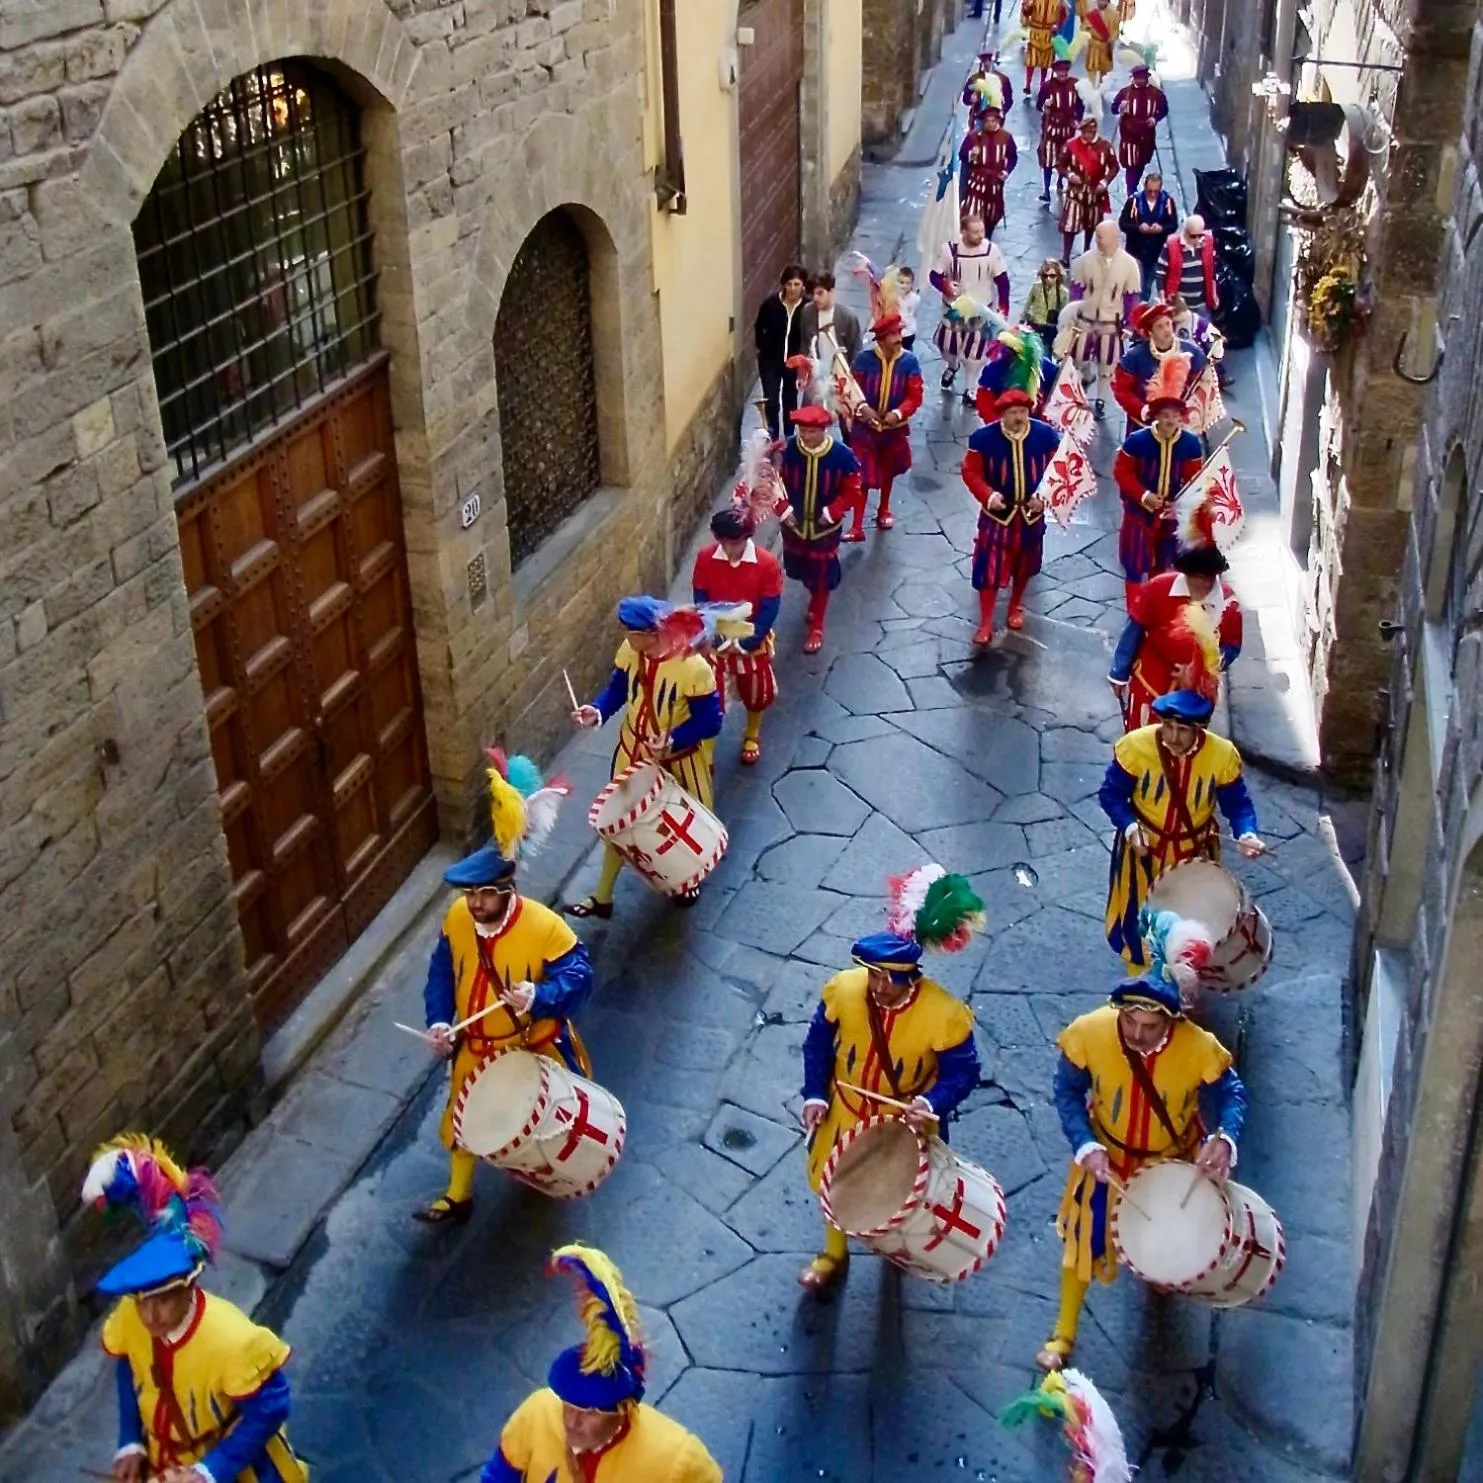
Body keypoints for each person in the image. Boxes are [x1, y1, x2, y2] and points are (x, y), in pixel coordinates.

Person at [1037, 963, 1247, 1372]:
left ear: (1171, 1020)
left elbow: (1231, 1094)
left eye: (1148, 1027)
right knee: (1084, 1240)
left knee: (1166, 1239)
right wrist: (1085, 1143)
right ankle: (1063, 1332)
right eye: (1129, 1021)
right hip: (1106, 1161)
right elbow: (1066, 1090)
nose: (1135, 1034)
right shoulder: (1090, 1032)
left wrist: (1224, 1138)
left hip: (1170, 1162)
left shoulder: (1198, 1046)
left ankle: (1159, 1274)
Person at [798, 869, 985, 1294]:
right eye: (873, 973)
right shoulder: (845, 992)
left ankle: (895, 1246)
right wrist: (814, 1094)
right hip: (846, 1110)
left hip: (904, 1122)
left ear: (910, 977)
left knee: (900, 1195)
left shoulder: (945, 1015)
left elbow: (964, 1071)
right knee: (835, 1181)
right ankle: (833, 1252)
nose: (878, 986)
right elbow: (818, 1045)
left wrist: (932, 1103)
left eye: (888, 977)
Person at [82, 1135, 308, 1483]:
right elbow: (128, 1366)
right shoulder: (131, 1317)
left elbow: (271, 1407)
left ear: (190, 1287)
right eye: (144, 1302)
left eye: (164, 1300)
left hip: (234, 1464)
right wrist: (130, 1442)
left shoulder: (234, 1341)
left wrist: (208, 1472)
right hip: (166, 1461)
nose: (150, 1316)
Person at [421, 794, 595, 1220]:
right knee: (462, 1119)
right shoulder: (458, 919)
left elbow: (579, 979)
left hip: (532, 1046)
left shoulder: (546, 927)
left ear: (506, 889)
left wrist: (539, 997)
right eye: (469, 894)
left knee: (551, 1121)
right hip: (476, 1045)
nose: (474, 903)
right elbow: (441, 974)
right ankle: (458, 1195)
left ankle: (552, 1170)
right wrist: (440, 1021)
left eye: (483, 894)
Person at [481, 1244, 722, 1481]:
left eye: (592, 1411)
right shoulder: (536, 1412)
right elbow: (498, 1477)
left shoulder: (679, 1460)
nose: (572, 1422)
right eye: (568, 1403)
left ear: (623, 1409)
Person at [567, 597, 724, 917]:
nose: (625, 636)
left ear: (650, 632)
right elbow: (617, 690)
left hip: (679, 760)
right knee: (617, 825)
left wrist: (673, 740)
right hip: (633, 752)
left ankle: (686, 878)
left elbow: (710, 722)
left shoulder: (693, 668)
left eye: (629, 631)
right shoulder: (630, 653)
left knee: (682, 826)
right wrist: (596, 711)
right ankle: (603, 896)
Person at [1097, 688, 1265, 967]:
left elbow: (1237, 805)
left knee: (1192, 922)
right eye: (1168, 726)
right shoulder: (1135, 748)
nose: (1173, 736)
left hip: (1195, 853)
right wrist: (1129, 827)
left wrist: (1246, 833)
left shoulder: (1221, 756)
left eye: (1183, 729)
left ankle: (1184, 980)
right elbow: (1111, 796)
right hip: (1143, 853)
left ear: (1199, 728)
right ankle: (1143, 983)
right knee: (1138, 919)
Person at [963, 360, 1062, 644]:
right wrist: (988, 495)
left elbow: (1059, 468)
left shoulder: (1045, 435)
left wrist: (1045, 498)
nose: (1019, 417)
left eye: (1023, 412)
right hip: (998, 516)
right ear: (1002, 414)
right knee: (989, 568)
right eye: (1013, 412)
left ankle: (1016, 604)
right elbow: (970, 471)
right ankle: (985, 622)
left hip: (1031, 516)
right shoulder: (983, 438)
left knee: (1025, 565)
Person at [1110, 541, 1243, 731]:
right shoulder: (1158, 588)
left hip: (1197, 688)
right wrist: (1119, 674)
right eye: (1197, 576)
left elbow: (1231, 647)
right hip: (1152, 677)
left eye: (1208, 577)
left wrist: (1200, 669)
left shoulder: (1229, 605)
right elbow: (1134, 629)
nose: (1204, 583)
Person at [692, 505, 783, 764]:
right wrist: (713, 634)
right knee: (710, 695)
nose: (729, 548)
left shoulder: (767, 563)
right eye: (723, 541)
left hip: (751, 637)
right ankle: (707, 745)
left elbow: (770, 606)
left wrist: (749, 641)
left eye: (736, 542)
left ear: (747, 537)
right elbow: (701, 599)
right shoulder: (705, 557)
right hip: (716, 637)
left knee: (757, 692)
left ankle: (752, 733)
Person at [1112, 352, 1204, 604]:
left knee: (1164, 562)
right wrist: (1144, 496)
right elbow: (1122, 472)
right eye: (1166, 416)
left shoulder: (1190, 445)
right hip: (1138, 512)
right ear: (1156, 416)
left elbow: (1194, 481)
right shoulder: (1137, 441)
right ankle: (1133, 608)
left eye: (1175, 416)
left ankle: (1153, 605)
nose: (1171, 421)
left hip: (1170, 515)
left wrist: (1180, 504)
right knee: (1134, 562)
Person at [779, 402, 863, 651]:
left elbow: (852, 491)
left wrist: (833, 511)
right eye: (802, 430)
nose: (806, 436)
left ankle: (818, 625)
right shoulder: (787, 450)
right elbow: (773, 483)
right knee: (801, 571)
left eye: (811, 431)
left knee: (822, 576)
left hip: (825, 530)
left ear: (824, 430)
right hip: (794, 528)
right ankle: (814, 598)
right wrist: (782, 509)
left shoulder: (842, 456)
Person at [1057, 218, 1141, 420]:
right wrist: (1073, 313)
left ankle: (1101, 400)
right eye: (1096, 236)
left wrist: (1130, 324)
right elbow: (1076, 290)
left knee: (1107, 363)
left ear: (1115, 238)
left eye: (1101, 236)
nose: (1097, 240)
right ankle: (1085, 378)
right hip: (1085, 320)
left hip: (1111, 323)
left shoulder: (1129, 265)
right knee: (1079, 358)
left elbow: (1131, 297)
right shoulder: (1085, 260)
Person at [851, 310, 924, 531]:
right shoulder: (864, 360)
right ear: (881, 340)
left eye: (899, 332)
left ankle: (884, 508)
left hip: (895, 429)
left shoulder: (910, 362)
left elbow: (915, 396)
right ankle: (856, 525)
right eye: (893, 334)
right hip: (865, 429)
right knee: (862, 475)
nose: (898, 338)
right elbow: (851, 390)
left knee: (889, 470)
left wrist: (899, 413)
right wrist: (863, 408)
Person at [930, 214, 1011, 399]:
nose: (980, 235)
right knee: (947, 347)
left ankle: (970, 388)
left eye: (982, 231)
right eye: (975, 232)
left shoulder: (991, 250)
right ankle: (952, 366)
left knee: (976, 355)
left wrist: (1004, 307)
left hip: (981, 310)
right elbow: (934, 275)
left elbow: (1002, 280)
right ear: (963, 232)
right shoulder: (948, 250)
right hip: (954, 310)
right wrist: (946, 286)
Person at [1111, 300, 1207, 431]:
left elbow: (1203, 383)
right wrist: (1142, 409)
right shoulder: (1134, 357)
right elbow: (1121, 390)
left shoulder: (1191, 351)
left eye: (1168, 324)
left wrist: (1191, 407)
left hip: (1182, 424)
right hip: (1144, 425)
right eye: (1160, 327)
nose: (1167, 330)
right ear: (1150, 333)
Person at [754, 263, 808, 438]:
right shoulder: (771, 305)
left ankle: (790, 436)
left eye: (797, 284)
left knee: (790, 400)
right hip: (770, 360)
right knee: (771, 398)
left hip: (794, 361)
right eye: (789, 284)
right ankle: (773, 435)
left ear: (803, 286)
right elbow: (759, 327)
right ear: (783, 285)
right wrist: (764, 346)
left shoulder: (807, 308)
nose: (792, 289)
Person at [1058, 117, 1118, 266]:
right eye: (1085, 132)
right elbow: (1061, 164)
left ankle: (1086, 250)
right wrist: (1070, 175)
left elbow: (1114, 167)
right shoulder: (1071, 146)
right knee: (1069, 226)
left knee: (1092, 224)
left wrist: (1104, 182)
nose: (1088, 135)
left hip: (1095, 193)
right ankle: (1066, 255)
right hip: (1076, 193)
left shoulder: (1105, 146)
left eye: (1091, 132)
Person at [975, 323, 1059, 422]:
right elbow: (985, 398)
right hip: (1008, 423)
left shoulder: (1045, 367)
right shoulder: (997, 367)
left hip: (1028, 424)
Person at [1118, 169, 1180, 299]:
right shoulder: (1134, 202)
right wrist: (1138, 228)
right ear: (1145, 187)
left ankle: (1143, 304)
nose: (1152, 194)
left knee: (1147, 285)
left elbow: (1173, 224)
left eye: (1156, 192)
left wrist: (1161, 228)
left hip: (1155, 251)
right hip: (1135, 250)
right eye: (1149, 191)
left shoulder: (1167, 202)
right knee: (1132, 283)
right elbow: (1123, 223)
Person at [959, 106, 1019, 238]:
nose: (990, 124)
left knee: (992, 215)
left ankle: (987, 239)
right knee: (973, 213)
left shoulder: (1006, 137)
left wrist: (1006, 171)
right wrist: (971, 154)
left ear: (998, 121)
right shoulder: (973, 136)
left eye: (993, 121)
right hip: (977, 182)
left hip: (995, 183)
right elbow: (962, 155)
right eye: (987, 121)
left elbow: (1013, 157)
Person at [1110, 65, 1169, 198]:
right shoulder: (1125, 93)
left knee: (1141, 163)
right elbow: (1113, 108)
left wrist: (1155, 119)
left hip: (1147, 136)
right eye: (1137, 79)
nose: (1139, 81)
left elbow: (1164, 109)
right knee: (1131, 164)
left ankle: (1134, 185)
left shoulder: (1156, 94)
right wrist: (1120, 107)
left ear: (1146, 78)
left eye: (1142, 78)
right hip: (1129, 136)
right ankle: (1131, 191)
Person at [1034, 55, 1084, 203]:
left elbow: (1080, 106)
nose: (1062, 75)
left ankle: (1061, 181)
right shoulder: (1047, 86)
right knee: (1048, 158)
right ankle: (1046, 189)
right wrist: (1045, 105)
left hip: (1068, 129)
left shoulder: (1076, 85)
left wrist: (1077, 120)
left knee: (1065, 157)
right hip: (1050, 128)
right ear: (1055, 72)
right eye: (1059, 72)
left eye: (1065, 72)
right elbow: (1038, 106)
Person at [1157, 214, 1220, 316]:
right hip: (1179, 305)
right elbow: (1160, 272)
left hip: (1201, 304)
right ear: (1185, 231)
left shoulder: (1208, 242)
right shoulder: (1171, 245)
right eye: (1193, 236)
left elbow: (1211, 271)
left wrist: (1214, 294)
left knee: (1204, 330)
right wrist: (1162, 297)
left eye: (1200, 235)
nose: (1197, 239)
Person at [799, 270, 863, 366]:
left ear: (831, 292)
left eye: (820, 293)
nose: (815, 298)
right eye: (813, 294)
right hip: (816, 372)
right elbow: (804, 344)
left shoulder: (848, 318)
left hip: (841, 373)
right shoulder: (807, 312)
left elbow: (856, 351)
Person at [1020, 257, 1071, 346]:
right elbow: (1027, 305)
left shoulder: (1063, 293)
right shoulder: (1036, 287)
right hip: (1034, 324)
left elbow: (1064, 315)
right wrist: (1021, 321)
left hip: (1050, 328)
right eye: (1045, 275)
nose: (1048, 279)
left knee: (1046, 353)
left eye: (1052, 276)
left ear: (1058, 275)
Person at [1021, 0, 1069, 94]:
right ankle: (1027, 85)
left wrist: (1057, 25)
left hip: (1049, 34)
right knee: (1031, 61)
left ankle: (1042, 85)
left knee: (1045, 62)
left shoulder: (1059, 1)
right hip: (1035, 32)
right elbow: (1027, 13)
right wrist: (1027, 7)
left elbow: (1063, 15)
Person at [962, 48, 1015, 124]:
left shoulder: (1003, 79)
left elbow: (1009, 100)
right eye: (984, 61)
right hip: (978, 117)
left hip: (996, 118)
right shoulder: (974, 79)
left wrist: (1003, 112)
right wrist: (971, 99)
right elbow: (965, 99)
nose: (987, 64)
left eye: (989, 61)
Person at [1078, 0, 1120, 86]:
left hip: (1106, 46)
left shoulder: (1115, 14)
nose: (1101, 2)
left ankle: (1101, 88)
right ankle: (1092, 88)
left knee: (1104, 71)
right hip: (1094, 46)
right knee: (1092, 69)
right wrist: (1089, 29)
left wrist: (1111, 39)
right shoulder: (1091, 14)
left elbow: (1116, 31)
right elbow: (1083, 28)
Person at [897, 265, 921, 350]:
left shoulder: (915, 298)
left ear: (912, 284)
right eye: (901, 282)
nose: (904, 286)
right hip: (895, 331)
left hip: (908, 332)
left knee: (907, 351)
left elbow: (915, 312)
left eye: (908, 283)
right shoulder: (894, 296)